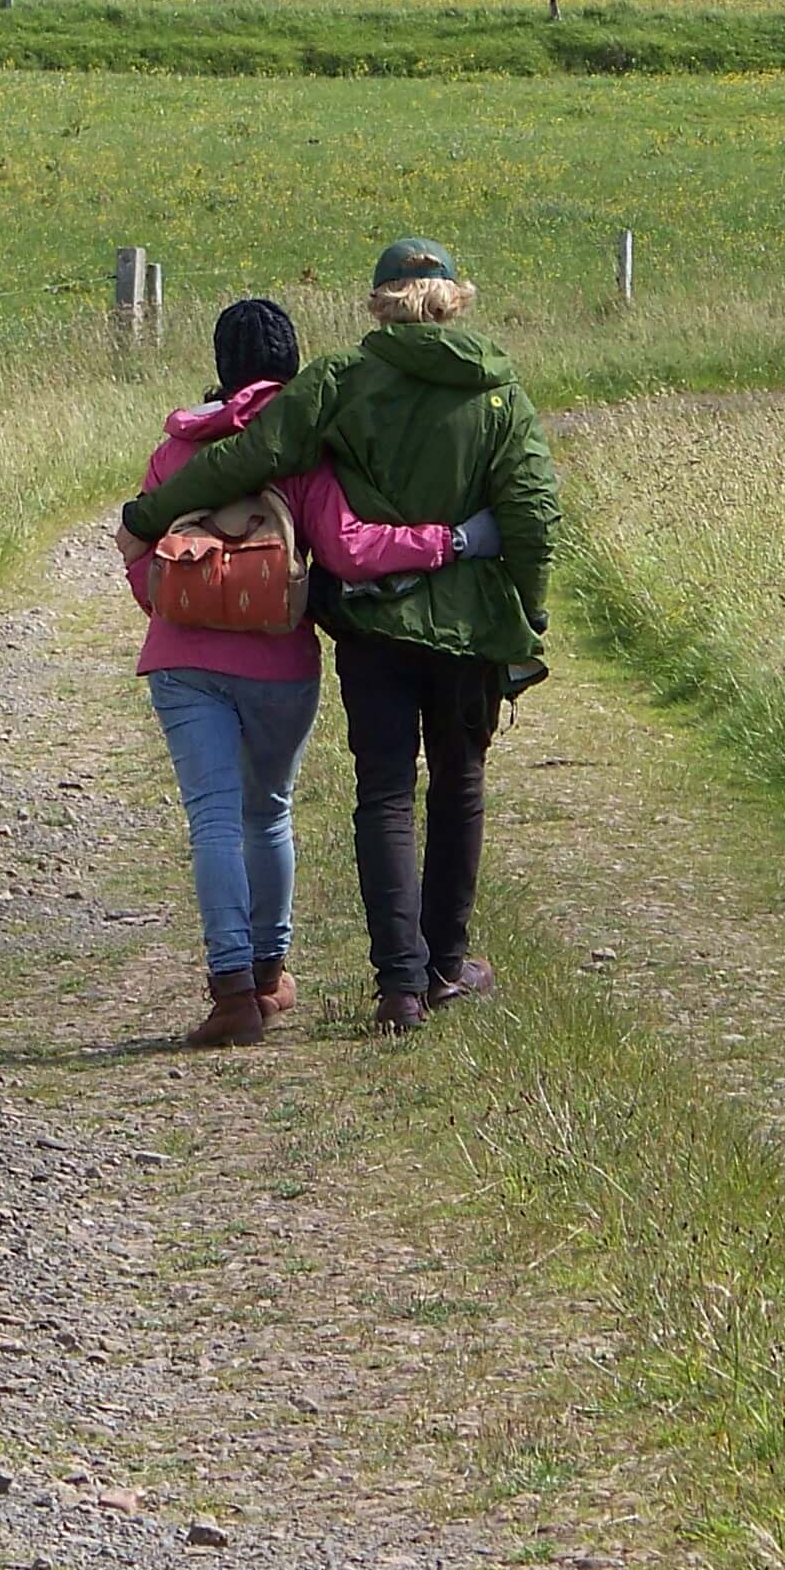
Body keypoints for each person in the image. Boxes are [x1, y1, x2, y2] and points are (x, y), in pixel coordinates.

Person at [120, 240, 557, 1034]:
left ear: (380, 302)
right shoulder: (502, 395)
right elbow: (532, 515)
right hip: (471, 629)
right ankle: (446, 967)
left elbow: (253, 453)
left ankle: (398, 987)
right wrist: (526, 614)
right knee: (458, 789)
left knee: (385, 793)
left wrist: (148, 519)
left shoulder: (342, 382)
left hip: (372, 624)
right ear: (456, 298)